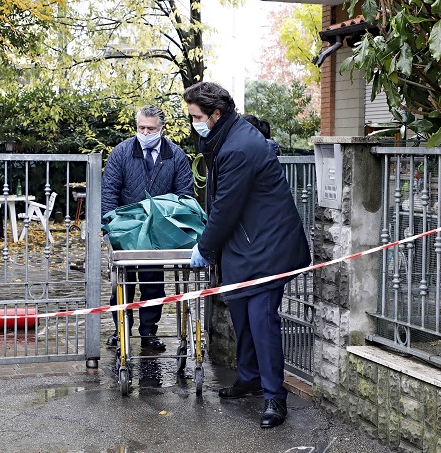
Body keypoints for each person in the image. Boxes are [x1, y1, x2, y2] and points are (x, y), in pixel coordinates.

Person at [184, 82, 311, 428]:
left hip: (267, 248)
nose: (191, 121)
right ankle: (250, 377)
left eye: (196, 116)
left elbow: (226, 206)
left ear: (216, 114)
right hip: (246, 244)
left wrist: (205, 247)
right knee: (241, 312)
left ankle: (274, 397)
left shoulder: (238, 147)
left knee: (261, 320)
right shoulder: (224, 137)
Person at [101, 104, 194, 351]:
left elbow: (184, 196)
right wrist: (108, 230)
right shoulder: (121, 153)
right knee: (122, 283)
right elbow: (109, 193)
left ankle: (148, 333)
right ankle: (121, 329)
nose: (145, 132)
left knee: (153, 284)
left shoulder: (176, 156)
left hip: (158, 232)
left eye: (150, 128)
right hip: (126, 229)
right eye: (141, 127)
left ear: (161, 128)